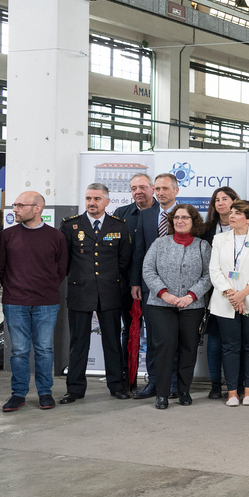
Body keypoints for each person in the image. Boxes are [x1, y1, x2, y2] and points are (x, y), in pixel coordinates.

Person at [60, 183, 134, 404]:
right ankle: (74, 389)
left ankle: (116, 386)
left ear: (107, 202)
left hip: (110, 291)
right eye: (88, 199)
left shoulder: (119, 226)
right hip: (80, 291)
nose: (92, 203)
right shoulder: (70, 226)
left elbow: (124, 261)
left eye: (97, 199)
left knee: (112, 341)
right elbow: (63, 260)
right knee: (78, 342)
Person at [0, 191, 67, 413]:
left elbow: (61, 269)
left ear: (37, 209)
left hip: (46, 302)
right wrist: (15, 288)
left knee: (44, 348)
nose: (15, 209)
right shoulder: (7, 236)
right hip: (15, 302)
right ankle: (18, 394)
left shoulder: (56, 236)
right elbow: (0, 267)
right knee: (18, 350)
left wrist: (44, 288)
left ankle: (45, 392)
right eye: (14, 205)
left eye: (20, 205)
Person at [140, 204, 212, 409]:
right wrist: (164, 293)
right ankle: (162, 393)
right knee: (164, 347)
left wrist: (191, 296)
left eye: (185, 218)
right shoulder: (159, 243)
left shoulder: (202, 246)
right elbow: (148, 270)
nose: (180, 221)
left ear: (193, 221)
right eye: (176, 217)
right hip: (161, 305)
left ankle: (183, 390)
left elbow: (208, 275)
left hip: (192, 306)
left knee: (188, 348)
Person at [196, 186, 249, 399]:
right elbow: (209, 266)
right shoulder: (207, 229)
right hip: (215, 291)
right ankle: (216, 384)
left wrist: (238, 294)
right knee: (215, 340)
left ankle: (240, 385)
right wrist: (227, 291)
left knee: (241, 341)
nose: (221, 203)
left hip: (243, 292)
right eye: (217, 200)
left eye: (226, 199)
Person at [208, 200, 249, 406]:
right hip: (225, 301)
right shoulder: (219, 239)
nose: (232, 216)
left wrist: (243, 293)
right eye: (232, 212)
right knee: (229, 347)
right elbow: (214, 270)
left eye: (238, 213)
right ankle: (232, 393)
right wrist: (231, 294)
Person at [131, 173, 179, 400]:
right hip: (150, 287)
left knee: (176, 338)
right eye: (157, 189)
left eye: (165, 189)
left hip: (180, 289)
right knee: (153, 338)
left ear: (175, 191)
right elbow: (139, 251)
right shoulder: (147, 215)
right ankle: (154, 382)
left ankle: (174, 384)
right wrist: (136, 282)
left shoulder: (185, 214)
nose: (160, 193)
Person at [112, 172, 154, 387]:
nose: (138, 191)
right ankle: (127, 379)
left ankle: (154, 381)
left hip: (156, 286)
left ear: (152, 189)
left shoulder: (163, 214)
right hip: (126, 285)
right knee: (129, 332)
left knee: (155, 334)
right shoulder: (121, 214)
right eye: (133, 188)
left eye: (142, 187)